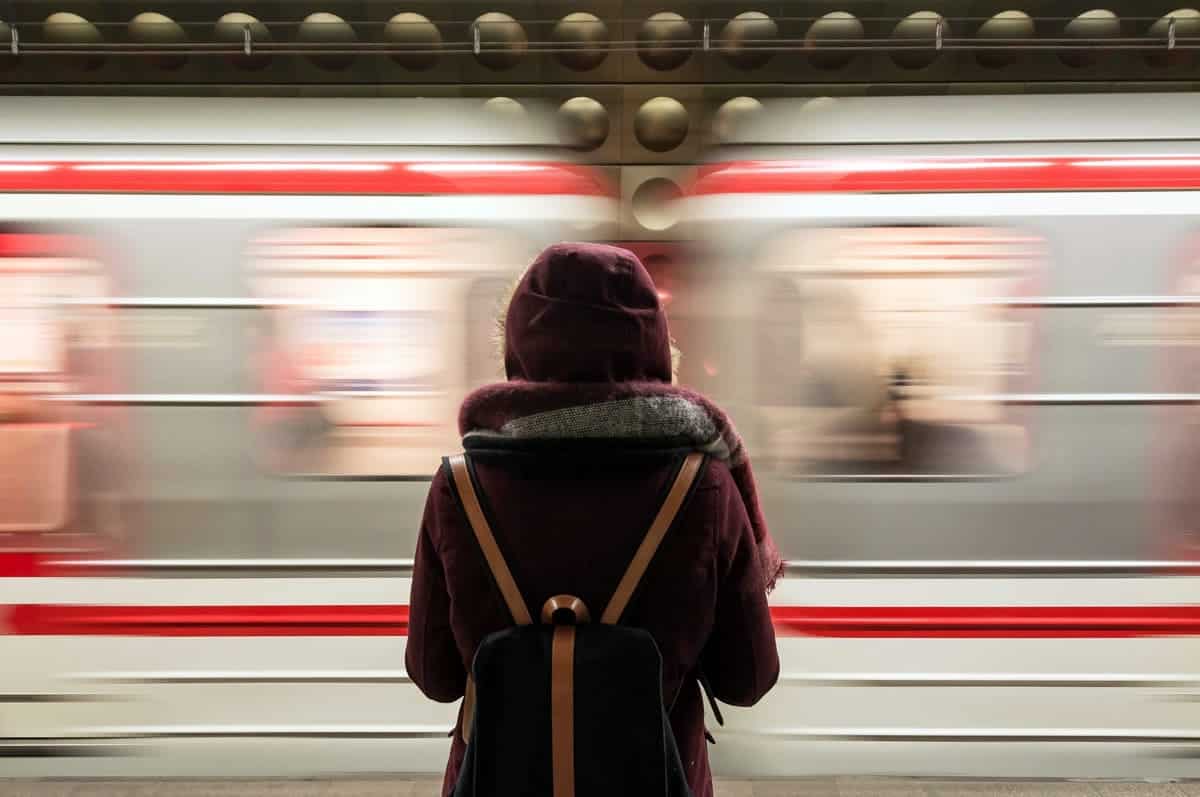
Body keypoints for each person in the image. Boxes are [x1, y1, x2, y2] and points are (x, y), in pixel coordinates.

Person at [406, 243, 782, 797]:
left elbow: (434, 675)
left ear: (518, 344)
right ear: (654, 344)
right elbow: (748, 679)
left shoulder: (459, 487)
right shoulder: (704, 485)